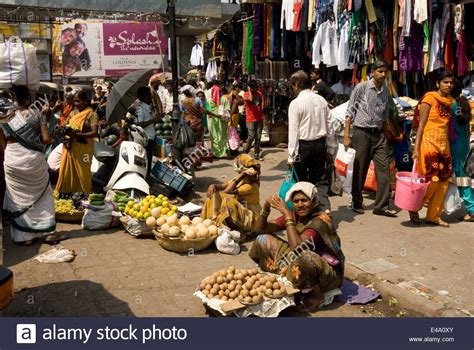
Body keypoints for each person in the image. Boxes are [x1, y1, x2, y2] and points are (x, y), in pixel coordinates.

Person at [249, 182, 345, 312]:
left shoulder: (320, 221)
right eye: (296, 201)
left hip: (327, 273)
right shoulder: (296, 216)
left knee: (304, 255)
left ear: (315, 201)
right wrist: (266, 208)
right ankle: (286, 277)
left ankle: (316, 295)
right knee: (263, 239)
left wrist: (287, 215)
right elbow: (260, 230)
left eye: (304, 200)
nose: (300, 205)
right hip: (300, 262)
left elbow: (297, 247)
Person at [1, 85, 66, 245]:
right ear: (27, 98)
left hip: (12, 160)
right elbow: (46, 139)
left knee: (19, 198)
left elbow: (2, 146)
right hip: (33, 161)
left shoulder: (3, 118)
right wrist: (45, 118)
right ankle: (49, 233)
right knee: (43, 194)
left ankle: (25, 238)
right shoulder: (35, 114)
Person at [343, 60, 397, 217]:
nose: (383, 74)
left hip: (379, 134)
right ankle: (356, 201)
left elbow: (385, 115)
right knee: (361, 169)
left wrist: (388, 134)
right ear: (372, 72)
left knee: (384, 169)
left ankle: (381, 205)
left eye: (385, 72)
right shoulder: (362, 88)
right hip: (362, 133)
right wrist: (346, 135)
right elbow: (349, 111)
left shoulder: (385, 90)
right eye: (380, 71)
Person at [409, 72, 456, 227]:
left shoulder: (450, 102)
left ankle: (433, 216)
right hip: (428, 143)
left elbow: (448, 127)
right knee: (433, 179)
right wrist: (416, 148)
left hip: (443, 145)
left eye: (451, 82)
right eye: (445, 82)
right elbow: (421, 125)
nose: (448, 85)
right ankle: (415, 205)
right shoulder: (429, 99)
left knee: (444, 181)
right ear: (438, 83)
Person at [287, 70, 336, 213]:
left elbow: (294, 131)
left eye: (292, 86)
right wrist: (331, 148)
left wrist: (291, 155)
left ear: (296, 85)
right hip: (320, 144)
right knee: (320, 178)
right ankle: (324, 208)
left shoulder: (296, 103)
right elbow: (330, 125)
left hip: (304, 146)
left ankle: (307, 212)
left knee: (302, 179)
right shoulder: (321, 100)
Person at [201, 154, 261, 235]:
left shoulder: (252, 186)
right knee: (214, 193)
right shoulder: (242, 179)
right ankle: (210, 221)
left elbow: (228, 190)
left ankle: (233, 228)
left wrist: (241, 175)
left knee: (228, 201)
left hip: (251, 219)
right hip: (242, 211)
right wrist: (213, 186)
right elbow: (223, 186)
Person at [55, 90, 98, 194]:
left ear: (86, 101)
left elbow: (95, 133)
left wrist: (77, 135)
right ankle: (70, 194)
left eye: (78, 101)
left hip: (84, 149)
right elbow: (65, 126)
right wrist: (60, 127)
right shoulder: (73, 113)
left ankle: (86, 195)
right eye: (74, 101)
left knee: (83, 173)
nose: (75, 103)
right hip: (70, 147)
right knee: (67, 172)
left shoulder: (92, 114)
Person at [450, 82, 474, 222]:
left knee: (461, 178)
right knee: (462, 176)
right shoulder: (462, 103)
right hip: (463, 144)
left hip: (455, 146)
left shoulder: (452, 106)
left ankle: (472, 210)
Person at [132, 86, 160, 176]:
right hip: (145, 139)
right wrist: (153, 120)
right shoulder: (140, 108)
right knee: (145, 160)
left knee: (149, 160)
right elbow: (139, 124)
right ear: (143, 96)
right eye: (148, 95)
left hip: (150, 137)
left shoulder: (149, 107)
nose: (150, 97)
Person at [243, 80, 264, 160]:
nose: (255, 89)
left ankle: (256, 153)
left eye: (256, 87)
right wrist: (249, 90)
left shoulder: (259, 94)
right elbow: (251, 100)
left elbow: (261, 103)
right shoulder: (246, 94)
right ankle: (246, 150)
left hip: (259, 118)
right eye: (253, 87)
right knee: (251, 136)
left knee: (258, 137)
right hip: (250, 119)